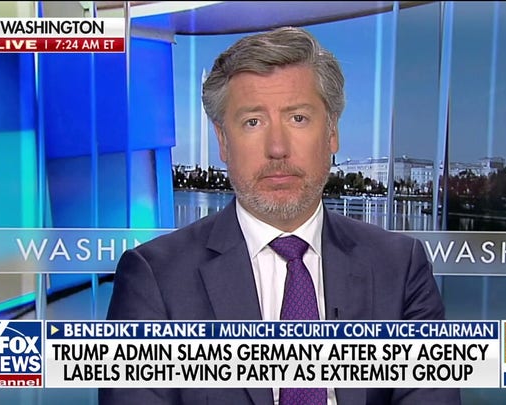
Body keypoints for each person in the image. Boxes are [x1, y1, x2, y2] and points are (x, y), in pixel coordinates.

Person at [100, 26, 460, 405]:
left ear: (332, 133)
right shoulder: (154, 277)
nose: (277, 148)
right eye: (253, 122)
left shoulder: (400, 267)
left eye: (298, 118)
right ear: (223, 141)